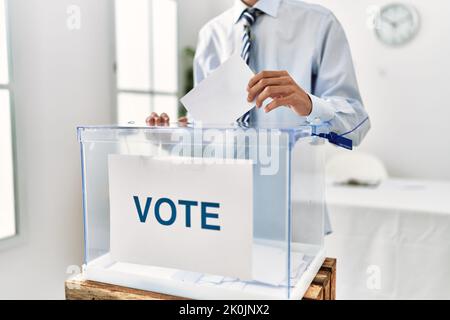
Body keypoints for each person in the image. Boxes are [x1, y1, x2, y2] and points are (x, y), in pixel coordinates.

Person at [146, 0, 370, 147]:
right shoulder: (211, 34)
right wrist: (173, 137)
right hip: (224, 200)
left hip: (295, 201)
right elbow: (209, 132)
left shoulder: (320, 23)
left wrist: (310, 105)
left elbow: (356, 127)